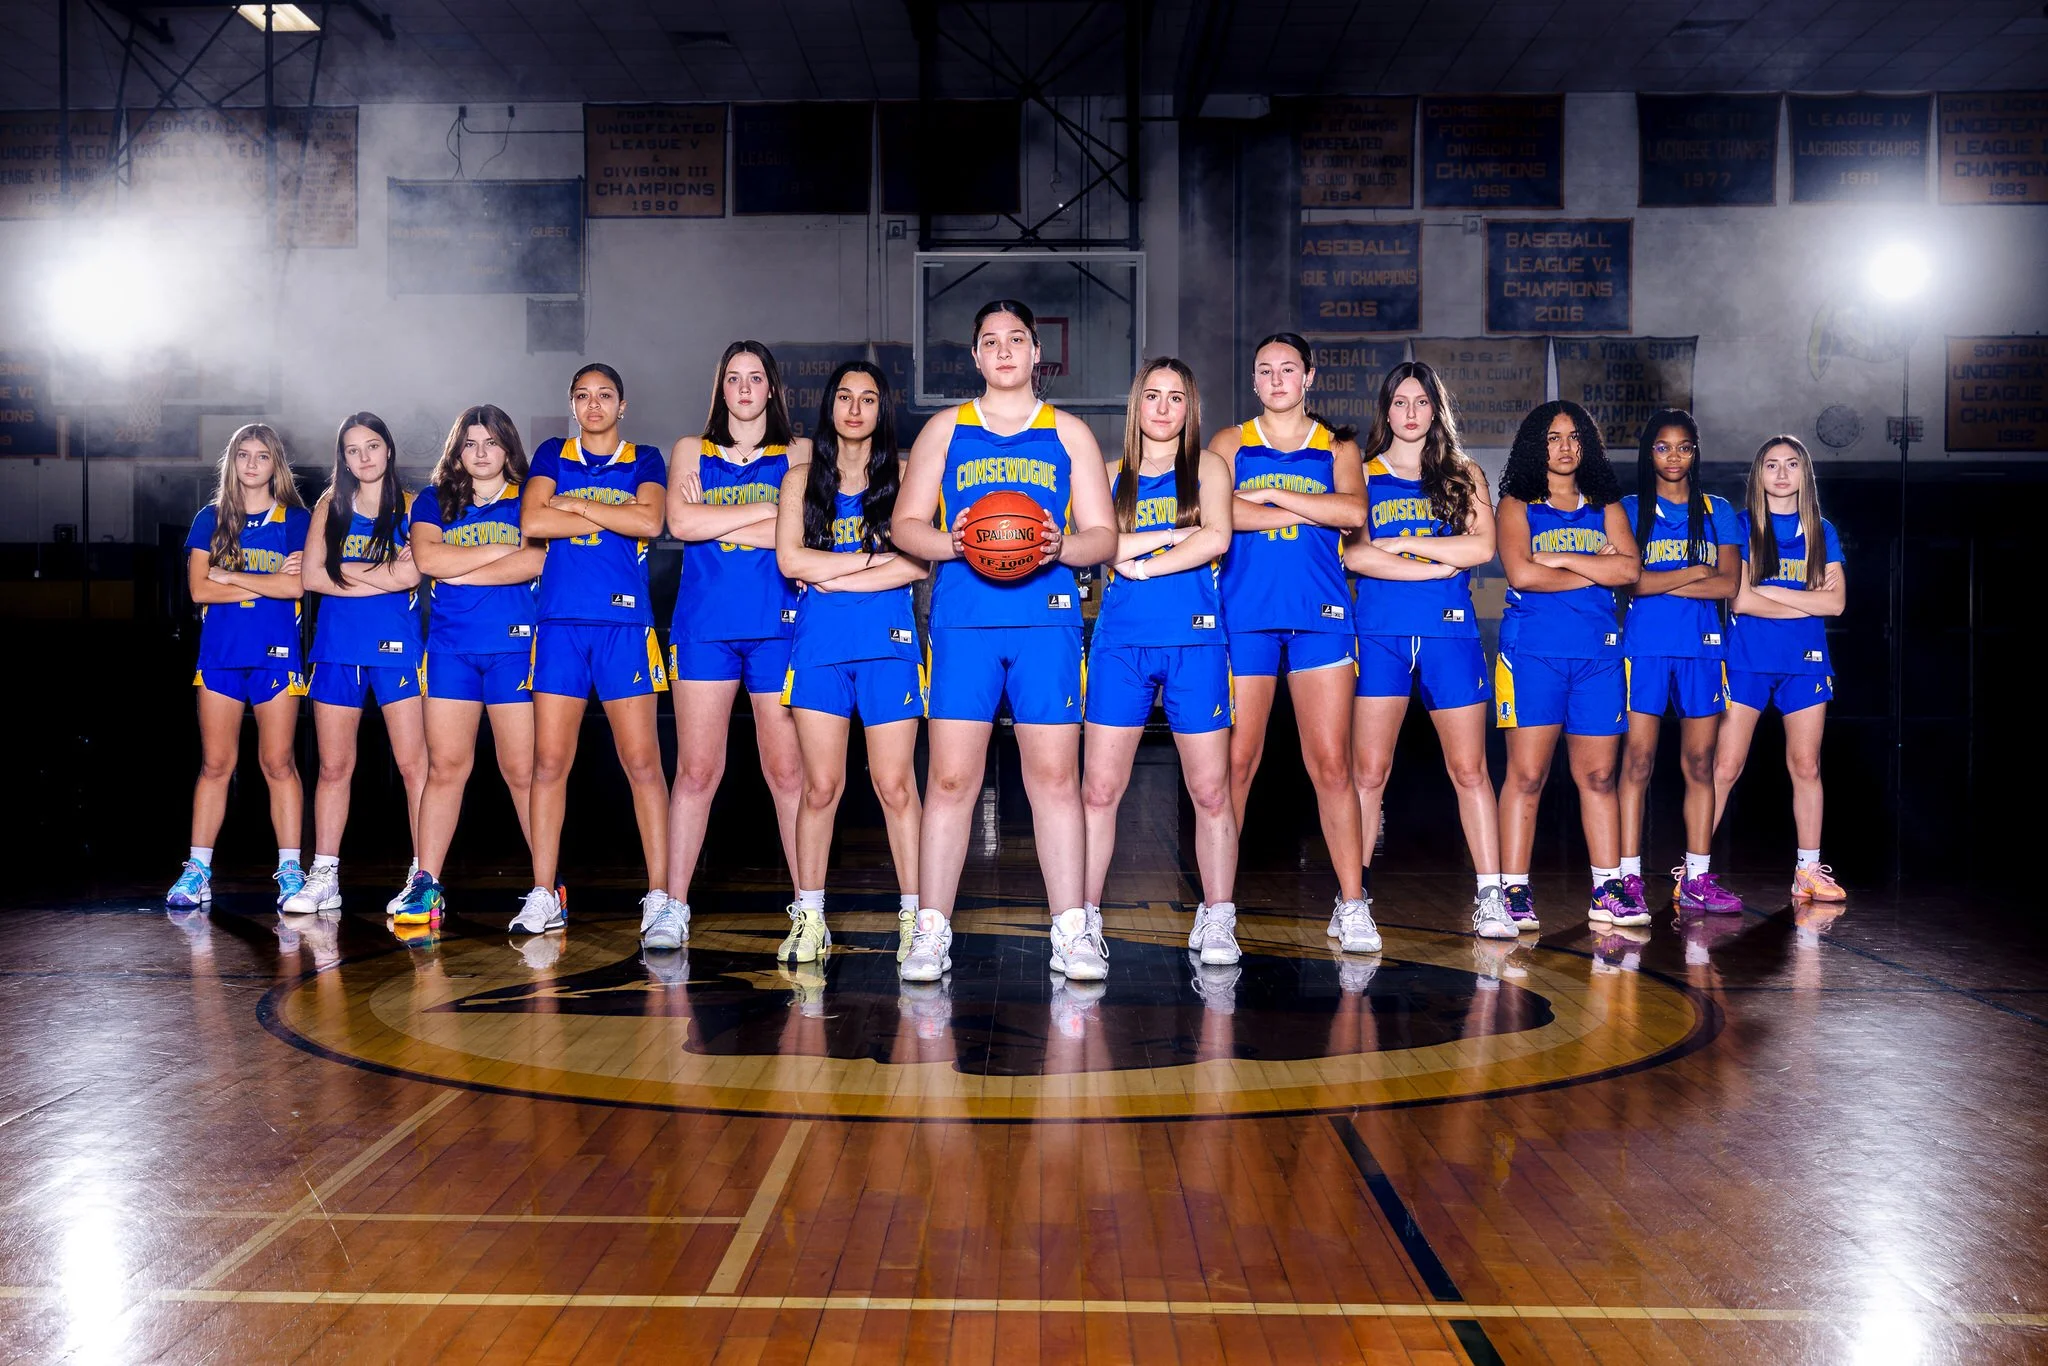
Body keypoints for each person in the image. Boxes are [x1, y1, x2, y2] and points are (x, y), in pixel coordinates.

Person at [889, 300, 1118, 983]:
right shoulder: (945, 430)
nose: (1005, 350)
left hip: (1047, 619)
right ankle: (931, 930)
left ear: (1035, 351)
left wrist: (1062, 546)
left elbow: (1103, 536)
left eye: (1017, 338)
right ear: (976, 355)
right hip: (964, 621)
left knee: (1054, 779)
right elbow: (905, 525)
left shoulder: (1069, 433)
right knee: (951, 779)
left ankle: (1072, 930)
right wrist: (953, 542)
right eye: (991, 340)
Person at [1207, 333, 1372, 953]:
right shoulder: (1230, 441)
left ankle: (1353, 903)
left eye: (1287, 369)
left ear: (1309, 376)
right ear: (1255, 381)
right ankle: (1217, 907)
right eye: (1264, 371)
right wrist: (1311, 506)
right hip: (1244, 614)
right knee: (1236, 765)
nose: (1276, 379)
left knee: (1331, 765)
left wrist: (1271, 493)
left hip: (1321, 616)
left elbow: (1354, 513)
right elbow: (1218, 516)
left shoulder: (1338, 443)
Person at [1080, 359, 1239, 963]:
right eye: (1153, 395)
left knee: (1210, 790)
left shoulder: (1209, 469)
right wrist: (1175, 536)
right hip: (1121, 644)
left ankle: (1217, 916)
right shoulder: (1108, 474)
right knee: (1099, 789)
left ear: (1190, 408)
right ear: (1136, 404)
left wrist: (1139, 558)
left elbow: (1217, 537)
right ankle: (1084, 920)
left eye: (1177, 397)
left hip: (1196, 643)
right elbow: (1100, 549)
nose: (1165, 408)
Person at [1342, 362, 1507, 938]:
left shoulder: (1464, 475)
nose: (1410, 413)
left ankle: (1492, 896)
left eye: (1421, 402)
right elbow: (1356, 556)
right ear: (1385, 411)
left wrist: (1408, 544)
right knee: (1369, 773)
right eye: (1399, 403)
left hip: (1450, 635)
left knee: (1470, 770)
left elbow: (1483, 547)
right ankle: (1353, 900)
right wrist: (1437, 561)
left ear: (1436, 410)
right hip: (1381, 634)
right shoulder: (1361, 474)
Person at [773, 360, 928, 962]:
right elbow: (790, 561)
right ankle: (809, 917)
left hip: (888, 645)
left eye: (868, 398)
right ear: (831, 407)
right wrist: (870, 564)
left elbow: (916, 565)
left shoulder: (907, 475)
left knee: (895, 786)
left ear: (882, 410)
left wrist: (835, 572)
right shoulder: (800, 479)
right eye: (845, 396)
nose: (855, 408)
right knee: (820, 788)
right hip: (820, 648)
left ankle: (916, 917)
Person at [516, 363, 670, 936]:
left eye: (605, 395)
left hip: (623, 625)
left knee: (642, 763)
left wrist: (575, 507)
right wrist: (610, 516)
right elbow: (531, 518)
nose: (594, 405)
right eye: (582, 396)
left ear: (622, 405)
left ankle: (659, 895)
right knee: (549, 763)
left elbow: (651, 520)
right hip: (558, 626)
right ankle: (543, 893)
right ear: (571, 404)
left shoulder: (645, 458)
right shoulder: (552, 452)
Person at [663, 342, 806, 950]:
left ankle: (809, 905)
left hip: (778, 625)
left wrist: (724, 518)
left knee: (786, 772)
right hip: (704, 627)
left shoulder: (798, 452)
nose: (744, 387)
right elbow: (680, 525)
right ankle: (672, 904)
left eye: (755, 378)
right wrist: (767, 512)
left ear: (771, 388)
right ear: (720, 388)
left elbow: (798, 530)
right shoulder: (689, 451)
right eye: (733, 378)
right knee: (696, 771)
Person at [1493, 401, 1646, 931]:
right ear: (1537, 444)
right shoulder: (1516, 503)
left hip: (1600, 656)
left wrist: (1560, 559)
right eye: (1554, 437)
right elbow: (1521, 574)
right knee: (1528, 774)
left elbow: (1629, 569)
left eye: (1575, 437)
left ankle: (1608, 888)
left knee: (1599, 775)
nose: (1564, 447)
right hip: (1533, 652)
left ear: (1589, 446)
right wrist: (1595, 569)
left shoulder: (1607, 505)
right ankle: (1513, 890)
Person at [398, 404, 546, 925]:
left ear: (509, 448)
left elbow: (536, 559)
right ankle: (426, 884)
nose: (481, 454)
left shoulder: (530, 497)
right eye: (470, 444)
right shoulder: (433, 500)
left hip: (513, 648)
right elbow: (429, 561)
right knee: (445, 768)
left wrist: (466, 567)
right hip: (451, 651)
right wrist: (496, 553)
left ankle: (547, 889)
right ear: (456, 451)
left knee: (521, 772)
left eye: (491, 443)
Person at [287, 412, 426, 916]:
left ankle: (422, 873)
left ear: (388, 449)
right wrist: (383, 572)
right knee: (333, 767)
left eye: (371, 446)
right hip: (338, 648)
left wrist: (345, 568)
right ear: (342, 458)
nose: (363, 457)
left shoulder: (414, 505)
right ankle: (324, 874)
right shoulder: (330, 504)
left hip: (397, 649)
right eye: (352, 449)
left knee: (415, 767)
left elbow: (412, 576)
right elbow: (312, 580)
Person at [168, 424, 311, 911]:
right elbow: (199, 590)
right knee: (215, 764)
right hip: (221, 656)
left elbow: (295, 589)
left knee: (278, 763)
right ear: (232, 462)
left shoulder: (296, 520)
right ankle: (198, 870)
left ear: (277, 465)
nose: (252, 464)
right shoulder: (209, 518)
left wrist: (228, 573)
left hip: (275, 655)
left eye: (263, 456)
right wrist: (263, 579)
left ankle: (291, 870)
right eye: (243, 455)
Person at [1617, 409, 1742, 914]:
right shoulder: (1628, 509)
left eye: (1684, 447)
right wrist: (1692, 570)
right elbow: (1630, 581)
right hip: (1643, 646)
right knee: (1638, 762)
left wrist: (1661, 576)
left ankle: (1696, 878)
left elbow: (1728, 584)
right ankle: (1626, 876)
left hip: (1703, 646)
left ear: (1696, 452)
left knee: (1699, 764)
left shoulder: (1717, 510)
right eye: (1664, 447)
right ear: (1650, 453)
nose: (1674, 456)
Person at [1712, 435, 1848, 902]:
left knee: (1806, 765)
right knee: (1726, 766)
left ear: (1804, 474)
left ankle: (1807, 871)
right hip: (1747, 658)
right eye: (1772, 464)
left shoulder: (1821, 531)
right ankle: (1693, 871)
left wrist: (1771, 596)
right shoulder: (1742, 526)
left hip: (1805, 662)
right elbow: (1741, 598)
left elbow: (1837, 602)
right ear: (1759, 474)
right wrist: (1807, 602)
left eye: (1792, 464)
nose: (1782, 473)